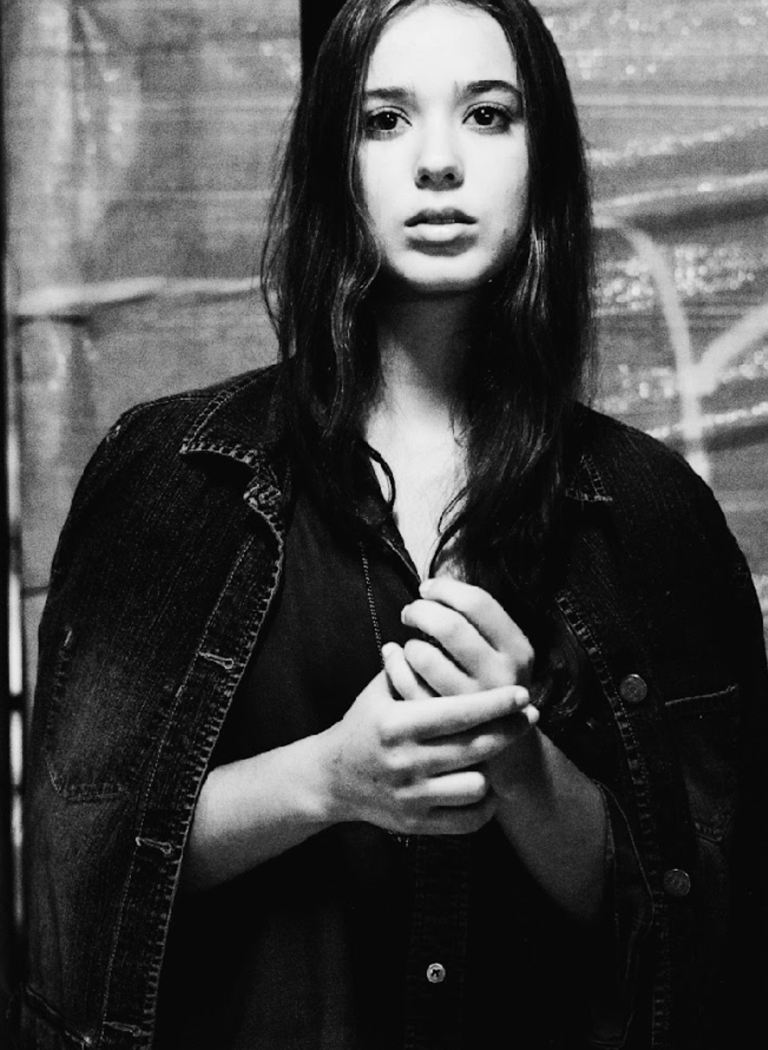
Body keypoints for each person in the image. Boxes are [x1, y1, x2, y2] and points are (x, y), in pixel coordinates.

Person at [13, 0, 768, 1047]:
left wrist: (519, 762)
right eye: (385, 119)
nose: (439, 161)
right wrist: (328, 779)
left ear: (544, 160)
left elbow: (706, 929)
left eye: (488, 114)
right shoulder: (170, 476)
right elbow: (73, 869)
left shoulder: (654, 512)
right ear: (335, 160)